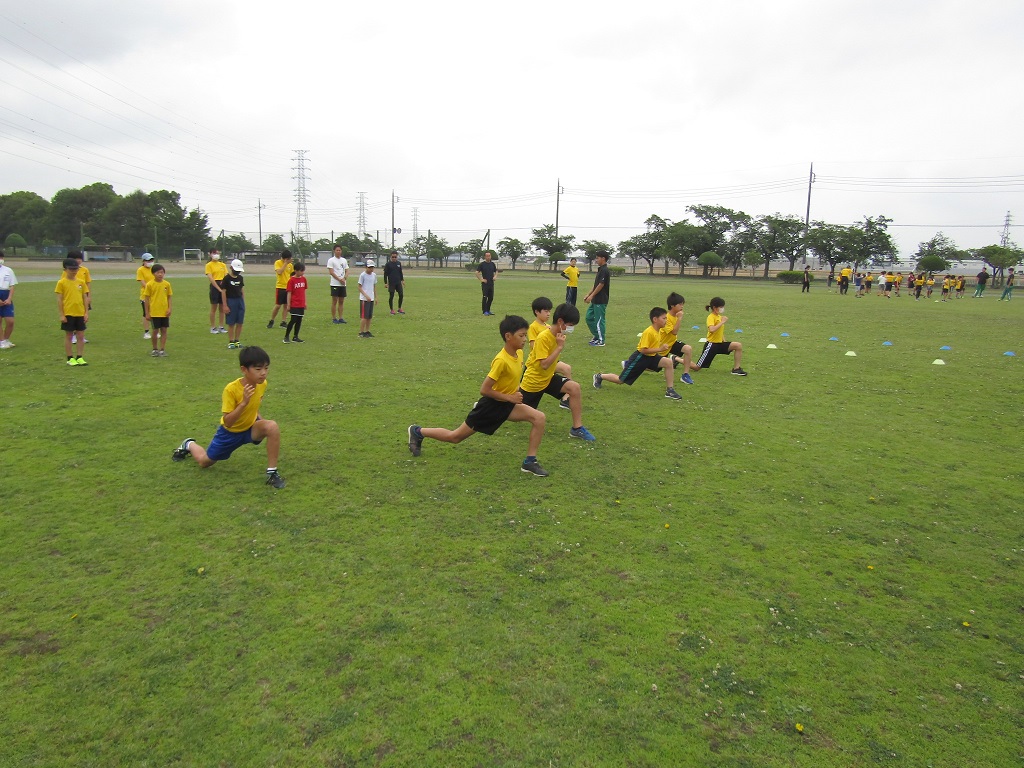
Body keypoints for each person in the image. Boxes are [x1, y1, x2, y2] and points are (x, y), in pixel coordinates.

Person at [407, 315, 549, 476]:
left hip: (507, 405)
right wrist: (510, 397)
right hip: (491, 406)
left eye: (526, 335)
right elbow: (485, 389)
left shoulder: (519, 354)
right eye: (521, 335)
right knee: (455, 437)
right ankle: (418, 431)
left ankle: (530, 461)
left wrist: (514, 391)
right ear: (508, 336)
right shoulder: (501, 360)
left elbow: (511, 378)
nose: (525, 339)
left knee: (539, 418)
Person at [171, 345, 285, 489]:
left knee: (272, 426)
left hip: (250, 427)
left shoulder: (261, 384)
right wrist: (243, 403)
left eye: (266, 368)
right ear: (244, 369)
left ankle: (272, 473)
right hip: (229, 433)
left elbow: (254, 407)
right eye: (258, 369)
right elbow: (228, 422)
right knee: (204, 462)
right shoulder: (231, 389)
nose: (263, 373)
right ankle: (188, 444)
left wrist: (261, 423)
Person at [521, 303, 595, 441]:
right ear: (560, 321)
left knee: (574, 388)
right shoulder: (544, 337)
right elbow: (544, 364)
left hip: (547, 379)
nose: (571, 328)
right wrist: (559, 347)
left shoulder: (557, 333)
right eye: (570, 324)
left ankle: (577, 428)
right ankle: (491, 407)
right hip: (533, 382)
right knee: (512, 412)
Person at [593, 307, 684, 400]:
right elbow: (643, 350)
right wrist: (660, 349)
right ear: (655, 319)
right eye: (664, 318)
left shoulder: (659, 330)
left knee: (668, 362)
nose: (666, 320)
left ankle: (670, 390)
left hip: (651, 357)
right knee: (620, 380)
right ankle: (599, 376)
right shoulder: (649, 332)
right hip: (640, 358)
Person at [528, 296, 571, 409]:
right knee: (520, 395)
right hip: (536, 362)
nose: (548, 314)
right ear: (537, 312)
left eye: (549, 311)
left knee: (567, 369)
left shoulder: (549, 327)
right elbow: (533, 346)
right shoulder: (533, 327)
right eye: (546, 311)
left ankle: (566, 397)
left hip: (549, 359)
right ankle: (494, 404)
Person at [693, 297, 747, 375]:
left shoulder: (719, 316)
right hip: (711, 345)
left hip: (719, 344)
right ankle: (676, 359)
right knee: (696, 367)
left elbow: (720, 331)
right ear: (715, 307)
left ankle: (736, 369)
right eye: (721, 307)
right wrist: (722, 322)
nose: (722, 308)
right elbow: (712, 329)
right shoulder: (710, 317)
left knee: (738, 346)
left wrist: (724, 341)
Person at [55, 257, 88, 366]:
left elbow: (85, 298)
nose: (74, 271)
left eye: (76, 269)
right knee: (69, 335)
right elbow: (59, 299)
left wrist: (86, 312)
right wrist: (62, 314)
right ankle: (70, 358)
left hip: (80, 312)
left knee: (80, 335)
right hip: (68, 313)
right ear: (65, 270)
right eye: (71, 269)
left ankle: (79, 356)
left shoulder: (81, 282)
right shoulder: (61, 283)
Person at [661, 292, 695, 385]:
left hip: (672, 343)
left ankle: (685, 375)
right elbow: (674, 332)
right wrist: (679, 318)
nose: (682, 306)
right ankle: (630, 364)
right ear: (672, 305)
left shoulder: (675, 316)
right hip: (662, 346)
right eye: (680, 304)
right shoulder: (666, 318)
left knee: (688, 349)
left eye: (682, 304)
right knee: (652, 367)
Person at [143, 264, 173, 357]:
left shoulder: (166, 284)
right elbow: (146, 299)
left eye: (162, 272)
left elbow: (169, 297)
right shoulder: (150, 284)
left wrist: (169, 308)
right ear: (153, 273)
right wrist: (147, 313)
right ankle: (155, 349)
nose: (160, 274)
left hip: (164, 312)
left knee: (164, 330)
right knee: (155, 331)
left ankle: (162, 349)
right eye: (158, 272)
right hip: (155, 312)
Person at [583, 250, 610, 346]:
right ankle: (597, 335)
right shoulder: (600, 270)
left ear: (603, 258)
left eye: (597, 258)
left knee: (599, 320)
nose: (596, 260)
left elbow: (601, 285)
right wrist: (588, 294)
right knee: (588, 318)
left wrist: (592, 296)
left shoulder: (605, 270)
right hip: (595, 300)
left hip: (601, 300)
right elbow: (596, 285)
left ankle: (601, 340)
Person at [221, 259, 246, 349]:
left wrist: (243, 301)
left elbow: (241, 289)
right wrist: (225, 305)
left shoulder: (240, 278)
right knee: (231, 323)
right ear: (231, 268)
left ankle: (237, 340)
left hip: (239, 301)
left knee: (240, 322)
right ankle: (231, 341)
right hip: (231, 301)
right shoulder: (226, 278)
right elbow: (223, 292)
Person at [267, 250, 294, 327]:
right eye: (288, 258)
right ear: (285, 258)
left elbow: (292, 274)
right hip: (280, 287)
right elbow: (279, 272)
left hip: (288, 287)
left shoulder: (290, 265)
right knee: (278, 305)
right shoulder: (278, 262)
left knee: (286, 305)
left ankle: (283, 321)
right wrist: (285, 263)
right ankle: (272, 320)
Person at [70, 251, 92, 345]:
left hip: (83, 295)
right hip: (73, 296)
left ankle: (81, 335)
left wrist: (89, 295)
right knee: (74, 315)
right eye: (76, 259)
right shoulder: (67, 271)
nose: (78, 260)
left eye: (80, 258)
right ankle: (73, 335)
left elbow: (88, 283)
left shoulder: (84, 270)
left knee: (84, 315)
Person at [205, 249, 228, 334]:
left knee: (222, 308)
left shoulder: (222, 264)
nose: (216, 255)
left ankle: (221, 326)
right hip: (215, 286)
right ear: (210, 254)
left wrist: (224, 286)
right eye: (214, 253)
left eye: (218, 253)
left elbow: (226, 275)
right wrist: (218, 288)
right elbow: (211, 278)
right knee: (214, 307)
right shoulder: (209, 265)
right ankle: (213, 327)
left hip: (223, 285)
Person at [283, 262, 307, 343]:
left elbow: (304, 291)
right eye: (301, 271)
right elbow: (289, 293)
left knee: (299, 320)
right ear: (296, 271)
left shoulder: (304, 279)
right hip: (294, 303)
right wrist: (288, 304)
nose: (303, 272)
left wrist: (305, 302)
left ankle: (295, 336)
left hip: (301, 303)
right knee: (293, 320)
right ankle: (286, 337)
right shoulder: (291, 280)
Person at [327, 245, 349, 324]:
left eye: (339, 250)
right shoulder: (331, 260)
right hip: (335, 284)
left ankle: (341, 318)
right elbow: (331, 272)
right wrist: (339, 279)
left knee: (341, 301)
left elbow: (347, 270)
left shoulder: (344, 260)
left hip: (343, 284)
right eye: (337, 250)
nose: (338, 251)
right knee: (334, 301)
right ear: (334, 251)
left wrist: (344, 278)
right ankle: (334, 318)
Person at [357, 259, 378, 338]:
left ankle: (367, 331)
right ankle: (361, 332)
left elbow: (374, 286)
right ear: (366, 267)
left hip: (371, 298)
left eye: (372, 267)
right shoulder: (363, 275)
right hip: (364, 299)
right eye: (369, 267)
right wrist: (366, 296)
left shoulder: (374, 275)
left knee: (369, 316)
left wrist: (376, 297)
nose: (371, 269)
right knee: (364, 316)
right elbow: (359, 287)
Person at [0, 251, 16, 349]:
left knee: (10, 321)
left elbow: (12, 285)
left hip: (6, 295)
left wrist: (9, 298)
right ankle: (1, 341)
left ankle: (5, 339)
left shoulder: (8, 270)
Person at [136, 253, 155, 339]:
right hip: (145, 295)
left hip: (155, 294)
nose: (150, 262)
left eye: (151, 260)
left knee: (155, 313)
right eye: (148, 260)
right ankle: (146, 332)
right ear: (143, 261)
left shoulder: (154, 269)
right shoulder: (140, 270)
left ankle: (155, 330)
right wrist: (150, 289)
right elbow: (143, 282)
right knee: (146, 313)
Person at [383, 250, 406, 315]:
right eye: (393, 257)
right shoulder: (388, 264)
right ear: (391, 257)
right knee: (391, 296)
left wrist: (402, 280)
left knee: (401, 295)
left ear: (397, 257)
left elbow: (400, 272)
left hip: (398, 282)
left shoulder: (399, 263)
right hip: (391, 283)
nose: (394, 258)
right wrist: (385, 283)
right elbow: (385, 274)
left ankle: (399, 308)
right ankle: (391, 310)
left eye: (395, 257)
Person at [476, 251, 497, 316]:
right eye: (487, 256)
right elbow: (477, 272)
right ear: (485, 257)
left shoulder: (492, 264)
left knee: (491, 298)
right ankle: (484, 311)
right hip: (485, 284)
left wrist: (495, 276)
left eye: (489, 256)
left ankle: (488, 310)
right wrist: (481, 279)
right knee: (485, 297)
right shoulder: (482, 264)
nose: (488, 257)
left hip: (491, 283)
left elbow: (496, 271)